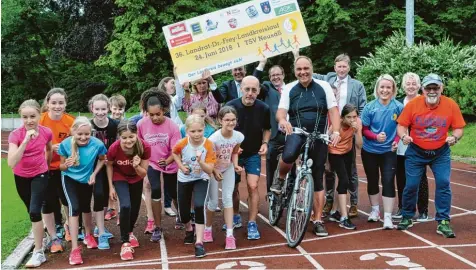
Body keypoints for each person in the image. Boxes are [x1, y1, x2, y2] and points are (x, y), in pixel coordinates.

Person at [273, 55, 341, 237]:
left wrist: (335, 131)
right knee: (288, 156)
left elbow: (333, 110)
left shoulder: (324, 86)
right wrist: (282, 121)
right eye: (299, 69)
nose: (303, 72)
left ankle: (317, 220)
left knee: (318, 176)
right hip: (297, 131)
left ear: (311, 68)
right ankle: (280, 179)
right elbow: (281, 112)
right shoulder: (289, 88)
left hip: (319, 135)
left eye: (306, 69)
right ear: (295, 71)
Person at [397, 73, 466, 238]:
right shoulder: (413, 104)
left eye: (436, 87)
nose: (432, 91)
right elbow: (401, 125)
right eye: (429, 88)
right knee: (411, 185)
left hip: (440, 152)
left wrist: (455, 137)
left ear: (441, 88)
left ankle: (443, 221)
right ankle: (407, 215)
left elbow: (459, 128)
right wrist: (403, 136)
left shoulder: (450, 105)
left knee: (443, 183)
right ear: (423, 89)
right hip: (416, 151)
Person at [305, 52, 367, 218]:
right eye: (339, 66)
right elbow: (309, 72)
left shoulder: (357, 85)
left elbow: (362, 106)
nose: (341, 69)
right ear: (334, 67)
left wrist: (356, 124)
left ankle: (353, 203)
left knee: (351, 169)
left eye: (344, 66)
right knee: (329, 169)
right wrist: (297, 53)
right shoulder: (327, 80)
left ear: (349, 67)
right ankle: (329, 201)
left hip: (349, 128)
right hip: (330, 128)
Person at [8, 99, 53, 268]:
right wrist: (25, 141)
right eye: (25, 117)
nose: (29, 121)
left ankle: (38, 252)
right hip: (20, 176)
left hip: (40, 174)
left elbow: (49, 149)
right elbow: (11, 162)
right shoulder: (16, 135)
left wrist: (46, 167)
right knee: (31, 211)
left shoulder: (46, 132)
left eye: (32, 116)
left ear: (39, 116)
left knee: (35, 211)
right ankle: (44, 237)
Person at [58, 116, 107, 265]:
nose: (83, 137)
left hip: (86, 179)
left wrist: (94, 173)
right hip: (69, 179)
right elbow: (60, 167)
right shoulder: (65, 145)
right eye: (80, 134)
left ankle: (89, 235)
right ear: (72, 131)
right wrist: (67, 164)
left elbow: (102, 159)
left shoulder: (97, 144)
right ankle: (74, 249)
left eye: (87, 134)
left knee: (86, 207)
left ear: (91, 133)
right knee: (75, 208)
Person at [226, 76, 271, 240]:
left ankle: (252, 222)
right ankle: (236, 214)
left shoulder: (264, 108)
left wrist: (265, 143)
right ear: (241, 89)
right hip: (234, 154)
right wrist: (232, 148)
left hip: (253, 153)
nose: (250, 93)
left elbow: (267, 128)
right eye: (247, 89)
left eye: (254, 90)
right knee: (233, 187)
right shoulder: (230, 106)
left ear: (258, 91)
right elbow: (224, 130)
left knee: (253, 186)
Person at [137, 89, 181, 242]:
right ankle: (157, 227)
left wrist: (168, 161)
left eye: (158, 114)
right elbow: (139, 144)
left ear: (164, 110)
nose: (155, 118)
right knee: (155, 189)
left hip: (170, 161)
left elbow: (177, 150)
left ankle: (181, 215)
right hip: (152, 163)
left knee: (173, 192)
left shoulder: (172, 126)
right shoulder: (141, 124)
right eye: (151, 115)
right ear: (146, 113)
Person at [360, 74, 403, 229]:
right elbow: (364, 129)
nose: (385, 90)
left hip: (388, 151)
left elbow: (402, 127)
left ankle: (388, 217)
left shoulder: (398, 107)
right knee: (372, 180)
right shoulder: (369, 107)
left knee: (388, 181)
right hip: (370, 150)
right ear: (377, 89)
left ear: (393, 90)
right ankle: (375, 210)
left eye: (388, 87)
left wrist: (396, 142)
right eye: (382, 87)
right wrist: (375, 136)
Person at [172, 114, 217, 258]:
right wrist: (180, 166)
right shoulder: (182, 143)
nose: (196, 134)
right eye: (193, 131)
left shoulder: (209, 145)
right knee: (183, 212)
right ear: (187, 131)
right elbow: (174, 153)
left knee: (199, 205)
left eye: (199, 131)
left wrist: (200, 161)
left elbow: (209, 170)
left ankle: (199, 242)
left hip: (201, 178)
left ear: (204, 129)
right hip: (184, 178)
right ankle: (189, 229)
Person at [107, 120, 151, 261]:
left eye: (131, 137)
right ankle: (125, 242)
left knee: (135, 208)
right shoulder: (114, 148)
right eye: (124, 137)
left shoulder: (144, 147)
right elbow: (109, 166)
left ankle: (130, 231)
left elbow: (143, 174)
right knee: (125, 205)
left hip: (136, 178)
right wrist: (110, 186)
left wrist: (137, 166)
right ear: (119, 137)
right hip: (119, 176)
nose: (128, 140)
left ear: (137, 134)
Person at [39, 88, 75, 247]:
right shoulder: (40, 121)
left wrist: (66, 149)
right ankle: (53, 236)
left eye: (61, 102)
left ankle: (69, 226)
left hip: (64, 167)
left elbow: (78, 144)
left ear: (65, 104)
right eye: (53, 102)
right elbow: (31, 145)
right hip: (44, 168)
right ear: (47, 104)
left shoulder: (70, 122)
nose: (57, 106)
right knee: (48, 201)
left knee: (67, 199)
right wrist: (49, 148)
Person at [205, 106, 244, 250]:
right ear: (220, 120)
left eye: (233, 120)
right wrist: (214, 170)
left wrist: (235, 165)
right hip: (212, 169)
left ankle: (229, 235)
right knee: (213, 201)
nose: (230, 123)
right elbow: (208, 158)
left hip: (227, 169)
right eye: (227, 120)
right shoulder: (214, 139)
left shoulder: (238, 136)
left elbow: (234, 151)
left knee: (228, 198)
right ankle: (208, 229)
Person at [394, 73, 430, 221]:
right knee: (401, 178)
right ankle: (403, 207)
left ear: (419, 86)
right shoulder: (398, 104)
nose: (411, 86)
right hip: (401, 147)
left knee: (420, 179)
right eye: (408, 84)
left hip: (419, 147)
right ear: (403, 86)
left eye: (414, 83)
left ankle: (423, 210)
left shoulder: (425, 102)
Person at [327, 104, 362, 230]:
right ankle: (344, 217)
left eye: (354, 116)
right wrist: (326, 162)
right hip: (334, 153)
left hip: (347, 152)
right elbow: (326, 141)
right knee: (344, 180)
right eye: (349, 117)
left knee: (344, 183)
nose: (352, 120)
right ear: (342, 117)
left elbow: (359, 145)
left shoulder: (357, 123)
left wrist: (357, 131)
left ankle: (335, 212)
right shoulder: (337, 125)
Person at [88, 94, 116, 249]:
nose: (100, 112)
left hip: (111, 166)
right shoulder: (88, 125)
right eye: (97, 109)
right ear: (92, 109)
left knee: (106, 197)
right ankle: (100, 232)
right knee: (98, 195)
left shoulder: (114, 125)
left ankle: (100, 227)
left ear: (108, 108)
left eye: (103, 109)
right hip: (93, 167)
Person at [129, 90, 158, 233]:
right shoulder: (137, 122)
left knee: (164, 189)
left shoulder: (164, 119)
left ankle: (181, 215)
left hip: (163, 159)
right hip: (146, 158)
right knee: (147, 185)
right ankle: (151, 219)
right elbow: (135, 142)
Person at [107, 94, 127, 224]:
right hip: (109, 156)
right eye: (115, 108)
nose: (117, 112)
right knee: (109, 183)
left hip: (121, 156)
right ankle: (111, 207)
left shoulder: (126, 123)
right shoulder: (107, 122)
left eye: (120, 109)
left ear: (124, 109)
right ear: (110, 108)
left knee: (120, 183)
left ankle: (120, 210)